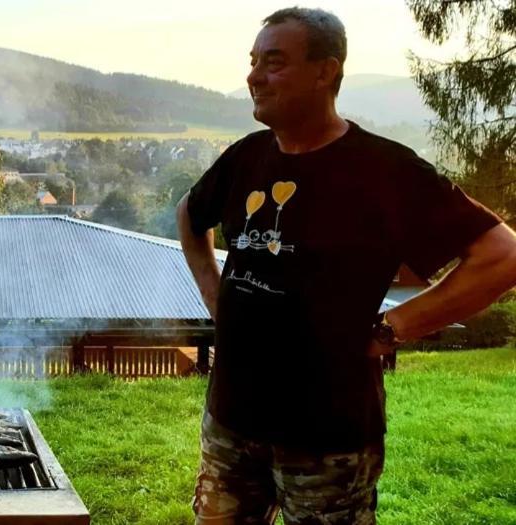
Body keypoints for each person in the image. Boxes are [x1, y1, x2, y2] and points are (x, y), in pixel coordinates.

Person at [176, 7, 516, 524]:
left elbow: (502, 255)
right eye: (253, 61)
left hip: (327, 436)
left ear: (325, 70)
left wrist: (396, 326)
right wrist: (214, 293)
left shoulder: (385, 170)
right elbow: (189, 213)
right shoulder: (247, 157)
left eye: (274, 62)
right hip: (230, 420)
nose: (253, 76)